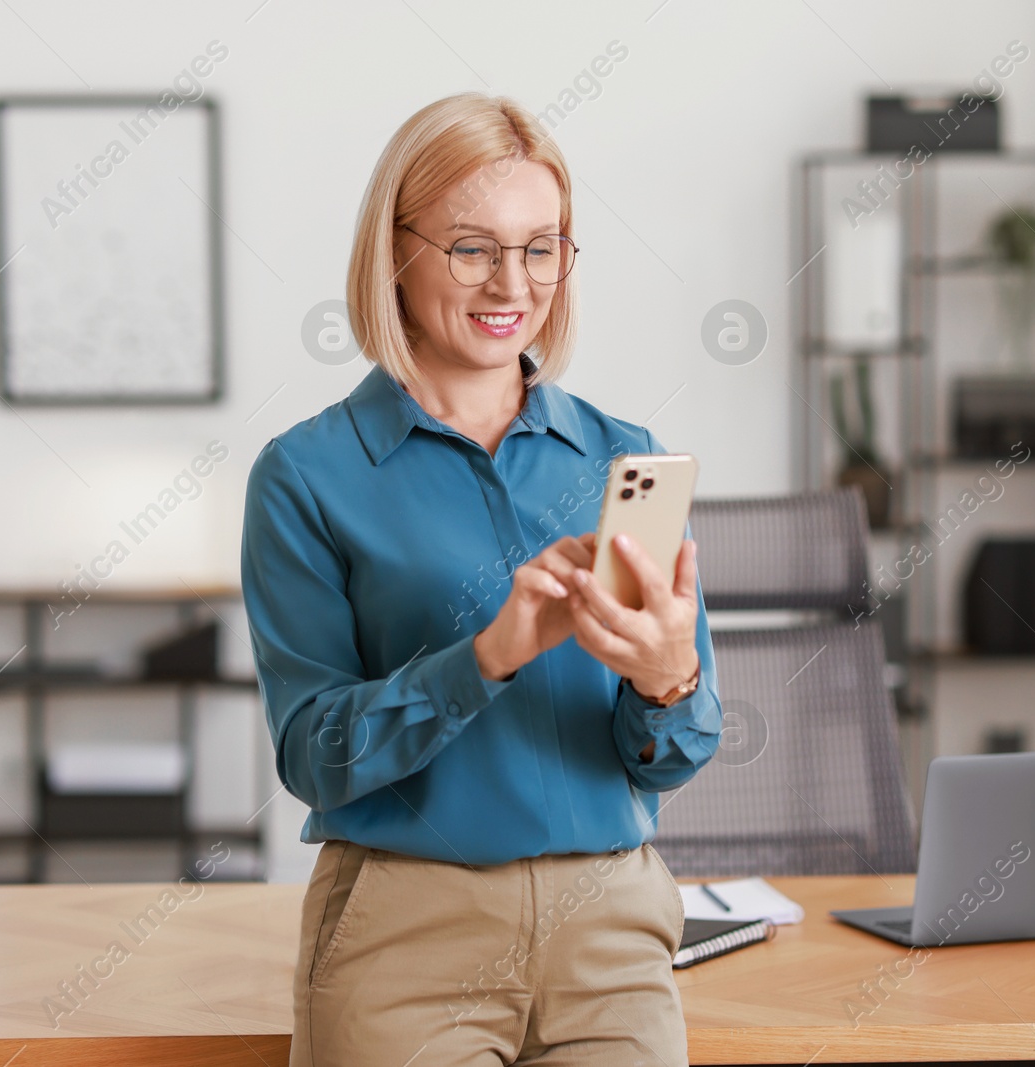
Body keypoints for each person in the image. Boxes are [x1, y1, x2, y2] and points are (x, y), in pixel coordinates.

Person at [241, 91, 722, 1067]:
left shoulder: (623, 459)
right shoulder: (306, 476)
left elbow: (668, 756)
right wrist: (487, 658)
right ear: (395, 249)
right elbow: (312, 755)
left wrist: (669, 679)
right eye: (472, 246)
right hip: (406, 931)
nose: (513, 281)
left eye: (541, 246)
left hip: (612, 929)